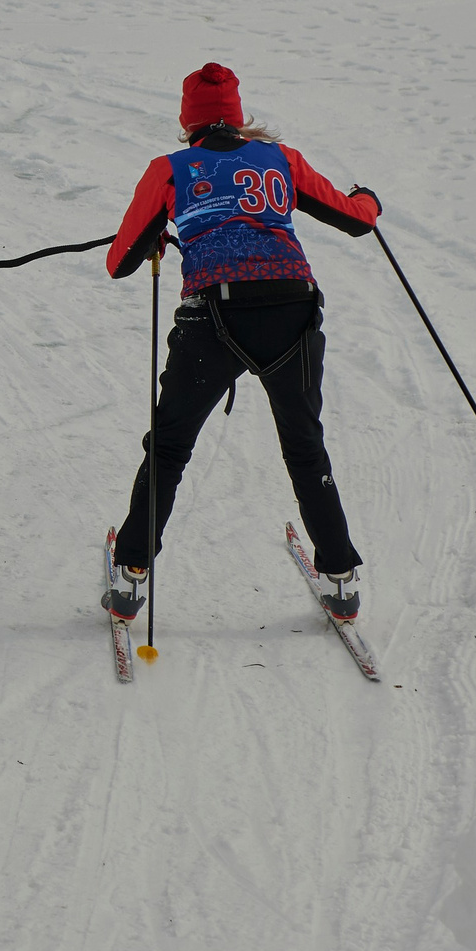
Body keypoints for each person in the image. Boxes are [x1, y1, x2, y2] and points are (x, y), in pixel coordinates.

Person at [101, 64, 382, 624]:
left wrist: (158, 233)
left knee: (170, 447)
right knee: (306, 447)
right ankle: (341, 579)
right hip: (293, 308)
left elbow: (119, 262)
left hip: (214, 317)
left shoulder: (171, 169)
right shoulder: (282, 160)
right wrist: (367, 198)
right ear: (238, 117)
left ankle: (131, 575)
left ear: (188, 124)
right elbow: (356, 221)